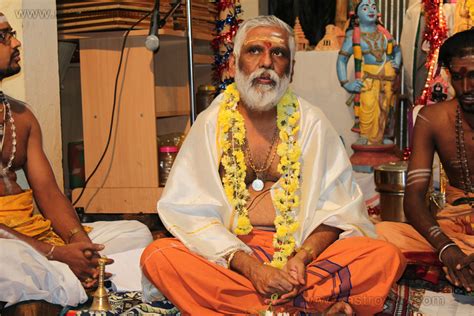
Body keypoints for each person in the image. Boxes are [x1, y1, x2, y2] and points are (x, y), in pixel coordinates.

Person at [141, 15, 405, 315]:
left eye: (278, 53)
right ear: (233, 65)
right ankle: (305, 305)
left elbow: (337, 209)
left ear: (291, 71)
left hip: (300, 255)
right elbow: (187, 210)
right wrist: (252, 268)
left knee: (384, 256)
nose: (266, 62)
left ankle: (261, 306)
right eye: (254, 51)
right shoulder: (210, 123)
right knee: (158, 256)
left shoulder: (313, 123)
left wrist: (302, 258)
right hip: (229, 255)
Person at [0, 12, 153, 308]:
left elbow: (49, 193)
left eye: (12, 32)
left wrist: (81, 245)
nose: (16, 42)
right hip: (11, 246)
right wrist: (54, 253)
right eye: (4, 37)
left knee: (136, 232)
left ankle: (75, 275)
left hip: (34, 234)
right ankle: (79, 279)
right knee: (8, 261)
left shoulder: (21, 116)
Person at [377, 29, 474, 293]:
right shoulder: (432, 118)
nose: (465, 88)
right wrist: (446, 249)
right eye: (458, 77)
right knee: (379, 236)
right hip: (452, 228)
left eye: (473, 76)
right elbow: (414, 198)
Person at [336, 0, 402, 145]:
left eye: (373, 7)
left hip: (388, 81)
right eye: (365, 8)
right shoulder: (354, 35)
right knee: (368, 108)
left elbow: (397, 50)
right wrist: (346, 83)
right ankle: (366, 136)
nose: (370, 10)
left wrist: (396, 62)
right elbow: (342, 60)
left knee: (386, 108)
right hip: (368, 80)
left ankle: (383, 135)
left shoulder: (385, 34)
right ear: (356, 15)